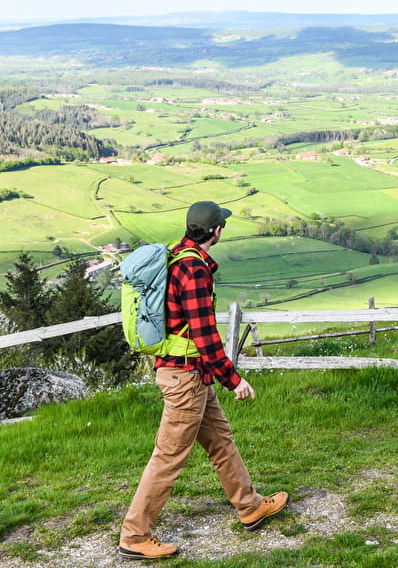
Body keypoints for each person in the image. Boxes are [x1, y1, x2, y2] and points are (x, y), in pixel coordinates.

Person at [118, 201, 289, 560]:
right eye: (221, 225)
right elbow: (205, 334)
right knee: (168, 456)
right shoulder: (193, 270)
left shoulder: (176, 257)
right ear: (216, 231)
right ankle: (135, 534)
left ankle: (250, 506)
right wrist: (233, 379)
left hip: (190, 373)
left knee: (220, 440)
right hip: (185, 377)